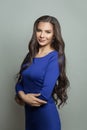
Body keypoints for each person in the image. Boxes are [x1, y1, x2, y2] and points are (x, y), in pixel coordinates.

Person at [15, 15, 69, 130]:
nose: (42, 35)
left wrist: (23, 97)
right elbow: (20, 83)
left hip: (46, 118)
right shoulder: (31, 54)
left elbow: (44, 95)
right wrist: (23, 96)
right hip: (30, 116)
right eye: (39, 30)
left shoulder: (56, 57)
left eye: (48, 32)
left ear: (54, 35)